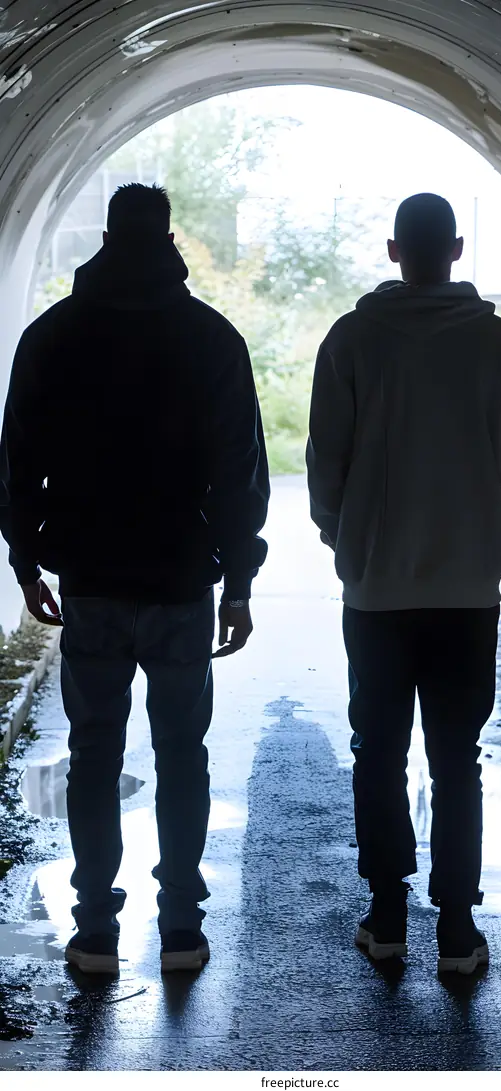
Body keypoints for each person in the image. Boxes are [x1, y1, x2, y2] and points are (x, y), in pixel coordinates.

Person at [0, 183, 269, 974]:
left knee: (92, 753)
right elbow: (239, 474)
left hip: (90, 578)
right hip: (183, 581)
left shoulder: (53, 335)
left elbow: (16, 464)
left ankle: (95, 932)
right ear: (171, 239)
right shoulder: (211, 337)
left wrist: (26, 558)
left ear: (108, 237)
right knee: (184, 753)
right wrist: (241, 582)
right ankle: (181, 928)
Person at [306, 193, 501, 974]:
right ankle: (456, 928)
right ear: (457, 248)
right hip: (467, 594)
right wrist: (487, 535)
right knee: (457, 757)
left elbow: (325, 462)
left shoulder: (351, 341)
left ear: (391, 250)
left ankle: (385, 916)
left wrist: (348, 542)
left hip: (376, 593)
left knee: (376, 749)